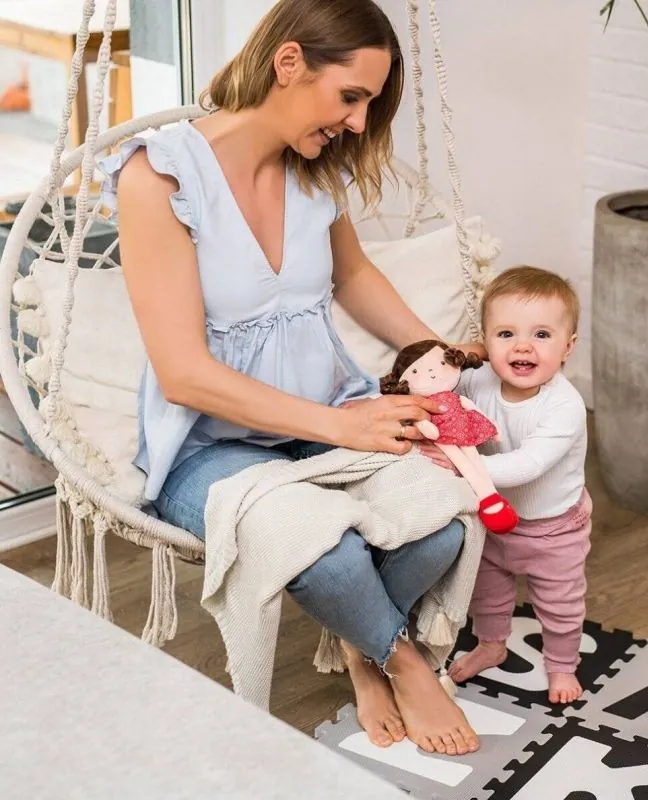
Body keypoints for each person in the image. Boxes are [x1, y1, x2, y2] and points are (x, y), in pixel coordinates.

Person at [100, 0, 483, 757]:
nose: (358, 124)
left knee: (441, 521)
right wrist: (343, 427)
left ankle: (360, 643)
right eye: (351, 97)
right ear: (289, 63)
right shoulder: (160, 178)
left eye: (368, 105)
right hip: (212, 446)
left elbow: (353, 276)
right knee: (328, 555)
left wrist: (438, 350)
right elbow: (183, 375)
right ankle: (401, 662)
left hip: (325, 411)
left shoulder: (316, 171)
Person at [419, 266, 592, 704]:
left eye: (542, 335)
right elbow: (438, 372)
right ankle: (491, 645)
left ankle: (562, 664)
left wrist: (461, 464)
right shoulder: (479, 380)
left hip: (554, 529)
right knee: (487, 592)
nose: (522, 346)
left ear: (568, 346)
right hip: (493, 519)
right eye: (506, 334)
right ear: (485, 342)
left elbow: (527, 465)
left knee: (560, 603)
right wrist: (463, 356)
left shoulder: (565, 407)